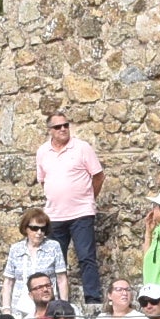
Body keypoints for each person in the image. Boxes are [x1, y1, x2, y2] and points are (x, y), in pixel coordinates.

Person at [36, 110, 105, 302]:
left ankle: (92, 299)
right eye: (58, 126)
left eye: (66, 125)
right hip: (55, 216)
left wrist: (89, 198)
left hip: (81, 213)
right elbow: (43, 180)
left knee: (86, 257)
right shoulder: (42, 152)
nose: (63, 129)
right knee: (55, 262)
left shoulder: (82, 148)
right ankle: (56, 301)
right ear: (50, 130)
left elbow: (98, 176)